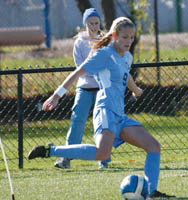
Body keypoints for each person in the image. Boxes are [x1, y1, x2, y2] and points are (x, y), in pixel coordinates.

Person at [28, 17, 175, 198]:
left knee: (153, 146)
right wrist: (56, 95)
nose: (129, 41)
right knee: (102, 153)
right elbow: (78, 72)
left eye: (131, 37)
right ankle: (49, 150)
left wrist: (135, 90)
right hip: (104, 110)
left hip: (120, 115)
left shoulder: (127, 56)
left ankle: (151, 192)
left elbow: (126, 74)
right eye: (125, 37)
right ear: (114, 35)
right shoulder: (104, 54)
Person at [54, 8, 111, 169]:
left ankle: (104, 158)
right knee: (77, 121)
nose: (94, 26)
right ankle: (66, 158)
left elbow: (107, 63)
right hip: (84, 88)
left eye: (96, 23)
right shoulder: (79, 42)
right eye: (90, 23)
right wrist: (92, 61)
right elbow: (80, 67)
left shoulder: (106, 40)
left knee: (102, 123)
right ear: (85, 23)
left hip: (102, 88)